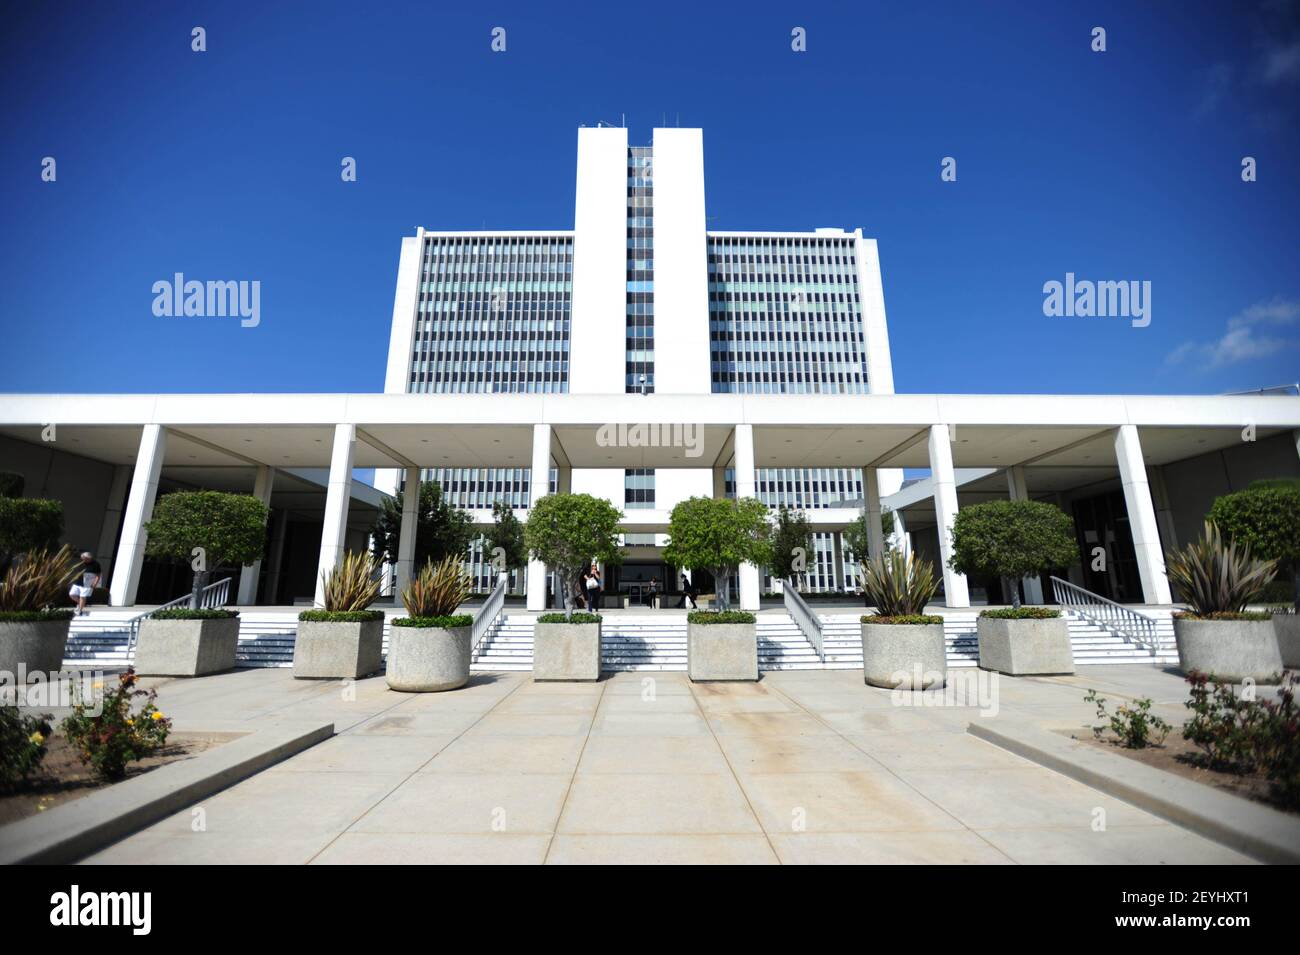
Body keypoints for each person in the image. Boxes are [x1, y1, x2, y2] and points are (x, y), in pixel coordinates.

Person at [69, 551, 101, 616]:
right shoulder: (81, 563)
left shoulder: (95, 564)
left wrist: (95, 583)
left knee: (82, 597)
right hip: (78, 582)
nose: (83, 560)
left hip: (87, 584)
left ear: (89, 558)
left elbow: (98, 575)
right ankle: (81, 604)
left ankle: (80, 611)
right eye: (83, 559)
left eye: (85, 559)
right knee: (72, 594)